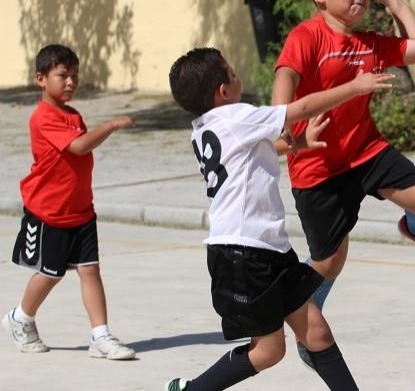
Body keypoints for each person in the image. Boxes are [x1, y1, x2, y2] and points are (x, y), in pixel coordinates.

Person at [271, 0, 415, 364]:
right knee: (330, 260)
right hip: (317, 166)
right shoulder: (307, 37)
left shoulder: (370, 42)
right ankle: (307, 319)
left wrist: (392, 0)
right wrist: (281, 124)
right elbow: (286, 77)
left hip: (364, 152)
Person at [166, 47, 393, 391]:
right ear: (222, 91)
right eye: (233, 73)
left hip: (268, 248)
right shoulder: (235, 115)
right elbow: (298, 109)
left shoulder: (206, 126)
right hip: (242, 254)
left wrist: (299, 143)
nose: (237, 76)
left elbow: (254, 153)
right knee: (270, 351)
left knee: (315, 331)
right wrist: (355, 87)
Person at [2, 44, 136, 360]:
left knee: (90, 270)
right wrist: (110, 125)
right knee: (51, 273)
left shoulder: (73, 114)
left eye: (74, 76)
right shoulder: (43, 117)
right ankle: (20, 318)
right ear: (41, 79)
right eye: (62, 75)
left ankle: (100, 337)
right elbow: (77, 148)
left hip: (81, 211)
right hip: (50, 213)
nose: (70, 83)